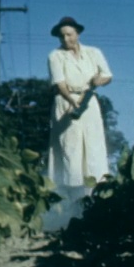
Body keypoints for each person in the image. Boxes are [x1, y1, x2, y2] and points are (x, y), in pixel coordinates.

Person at [47, 16, 112, 201]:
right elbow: (59, 83)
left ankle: (94, 193)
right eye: (62, 36)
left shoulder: (94, 52)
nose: (66, 39)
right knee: (70, 147)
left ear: (77, 33)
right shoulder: (55, 56)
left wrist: (99, 80)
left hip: (89, 101)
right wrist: (72, 101)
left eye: (69, 35)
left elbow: (107, 75)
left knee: (93, 145)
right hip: (66, 102)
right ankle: (70, 197)